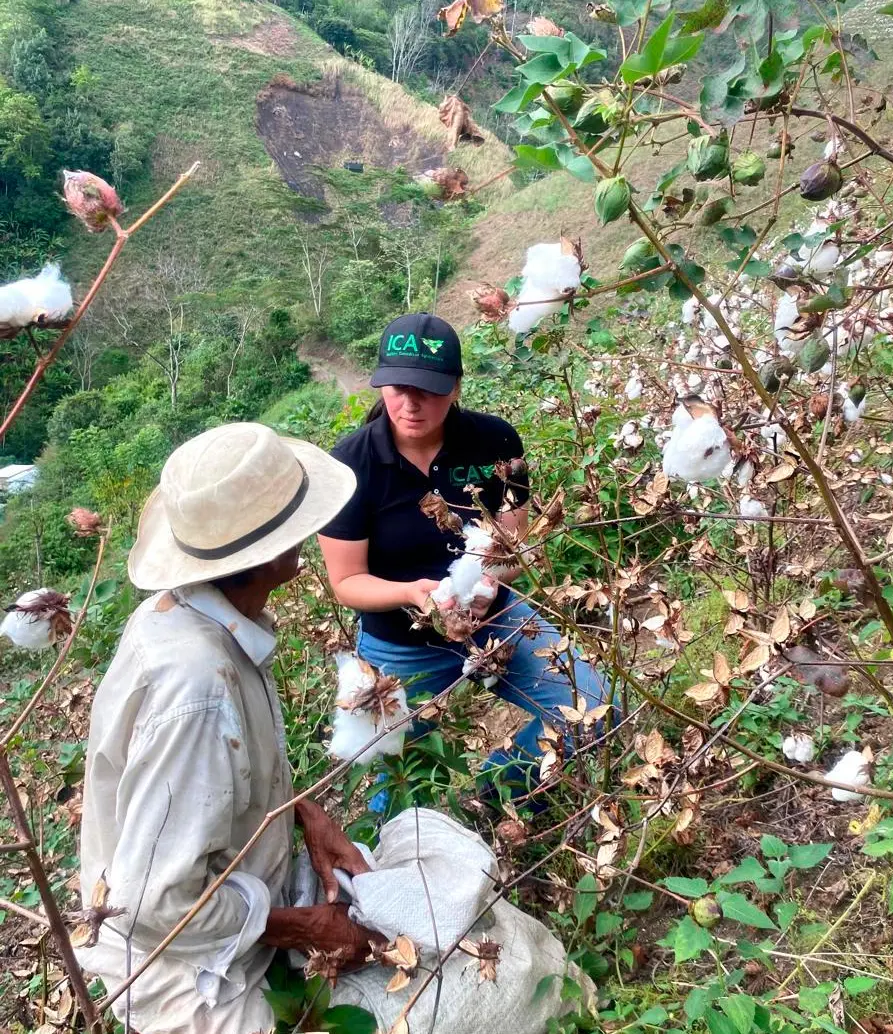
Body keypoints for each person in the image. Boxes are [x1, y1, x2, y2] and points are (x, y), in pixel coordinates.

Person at [78, 422, 381, 1034]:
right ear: (275, 553)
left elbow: (226, 774)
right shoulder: (194, 685)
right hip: (178, 968)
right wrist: (306, 928)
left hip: (235, 894)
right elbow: (156, 902)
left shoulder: (201, 615)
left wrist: (306, 814)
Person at [318, 313, 610, 800]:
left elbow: (513, 544)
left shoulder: (493, 441)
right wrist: (414, 594)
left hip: (496, 622)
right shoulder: (349, 465)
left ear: (454, 386)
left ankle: (490, 798)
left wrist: (489, 583)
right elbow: (347, 581)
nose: (411, 404)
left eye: (428, 390)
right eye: (397, 387)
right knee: (395, 784)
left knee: (594, 708)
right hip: (399, 645)